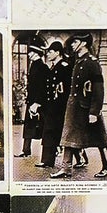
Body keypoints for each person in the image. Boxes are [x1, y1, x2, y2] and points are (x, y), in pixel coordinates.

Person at [56, 36, 107, 180]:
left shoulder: (92, 63)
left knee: (100, 139)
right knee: (68, 137)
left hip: (87, 108)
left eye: (75, 42)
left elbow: (98, 88)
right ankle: (65, 168)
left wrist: (94, 111)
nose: (72, 45)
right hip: (74, 107)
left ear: (84, 43)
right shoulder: (77, 61)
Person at [36, 40, 71, 171]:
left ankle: (79, 157)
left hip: (60, 106)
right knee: (49, 132)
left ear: (57, 52)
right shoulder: (53, 67)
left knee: (60, 133)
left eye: (50, 52)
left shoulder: (64, 66)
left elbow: (67, 88)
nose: (48, 54)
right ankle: (47, 160)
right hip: (51, 106)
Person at [18, 46, 52, 160]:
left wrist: (37, 102)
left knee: (45, 127)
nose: (29, 55)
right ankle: (25, 150)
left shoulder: (42, 67)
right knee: (29, 126)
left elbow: (43, 87)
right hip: (32, 100)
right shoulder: (34, 65)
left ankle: (55, 149)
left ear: (36, 53)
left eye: (31, 52)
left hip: (39, 102)